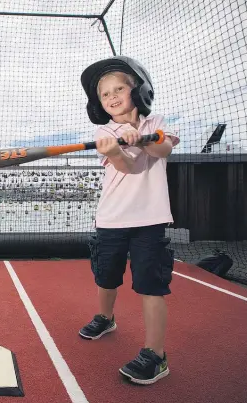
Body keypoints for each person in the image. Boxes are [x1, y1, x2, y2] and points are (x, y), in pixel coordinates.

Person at [78, 56, 180, 385]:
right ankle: (105, 317)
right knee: (106, 276)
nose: (112, 97)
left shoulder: (157, 122)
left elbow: (163, 149)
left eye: (118, 88)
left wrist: (143, 139)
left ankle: (155, 354)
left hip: (150, 220)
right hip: (111, 219)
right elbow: (125, 167)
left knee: (151, 285)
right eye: (105, 94)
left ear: (137, 89)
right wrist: (114, 150)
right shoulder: (105, 132)